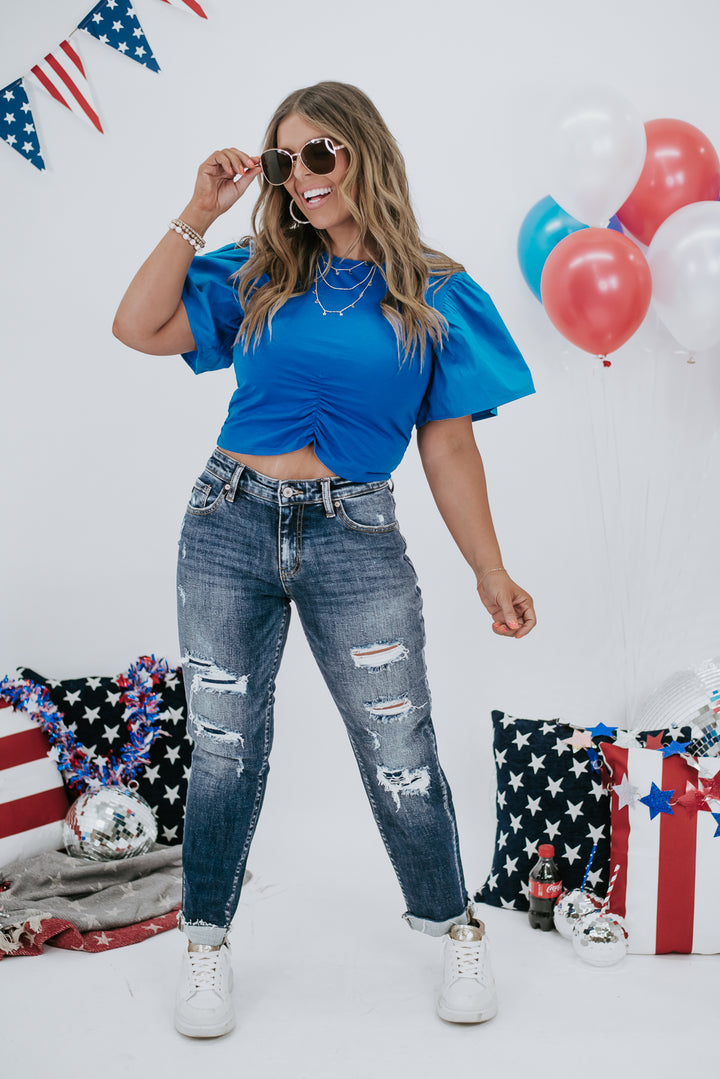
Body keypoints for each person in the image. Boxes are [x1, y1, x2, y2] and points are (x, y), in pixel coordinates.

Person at [113, 80, 536, 1038]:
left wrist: (490, 569)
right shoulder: (259, 272)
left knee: (400, 746)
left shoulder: (435, 290)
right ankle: (205, 942)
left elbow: (448, 446)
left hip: (355, 533)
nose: (299, 177)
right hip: (227, 520)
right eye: (283, 159)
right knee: (223, 744)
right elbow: (136, 327)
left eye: (318, 154)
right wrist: (199, 210)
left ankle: (455, 926)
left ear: (363, 153)